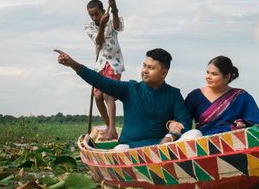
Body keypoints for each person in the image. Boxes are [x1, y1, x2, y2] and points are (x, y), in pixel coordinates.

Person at [56, 47, 192, 150]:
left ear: (164, 73)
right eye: (144, 65)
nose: (145, 70)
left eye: (151, 68)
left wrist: (170, 135)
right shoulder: (131, 89)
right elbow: (100, 81)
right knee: (118, 151)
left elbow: (185, 122)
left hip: (161, 148)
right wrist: (73, 64)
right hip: (129, 149)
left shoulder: (173, 94)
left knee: (195, 134)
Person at [182, 56, 259, 139]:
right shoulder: (195, 96)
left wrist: (244, 124)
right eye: (207, 72)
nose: (208, 77)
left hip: (233, 143)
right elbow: (183, 123)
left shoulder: (241, 96)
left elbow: (257, 123)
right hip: (203, 144)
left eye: (214, 74)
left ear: (227, 76)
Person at [85, 0, 124, 141]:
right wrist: (101, 25)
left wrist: (114, 8)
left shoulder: (111, 20)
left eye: (97, 14)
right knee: (97, 96)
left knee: (108, 94)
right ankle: (109, 126)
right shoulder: (89, 27)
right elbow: (99, 41)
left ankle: (112, 129)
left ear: (103, 11)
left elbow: (118, 26)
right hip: (100, 64)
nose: (95, 17)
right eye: (92, 15)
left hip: (114, 63)